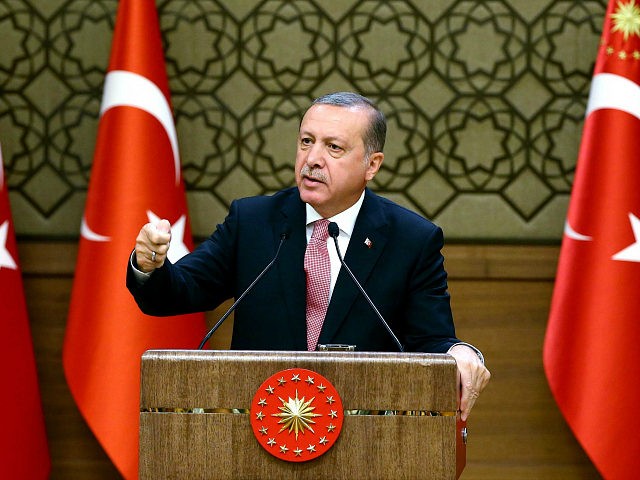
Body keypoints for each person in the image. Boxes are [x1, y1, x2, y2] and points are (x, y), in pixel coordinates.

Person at [126, 92, 490, 420]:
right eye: (306, 141)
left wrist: (461, 353)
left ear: (372, 165)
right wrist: (147, 264)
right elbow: (176, 292)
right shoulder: (252, 222)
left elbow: (432, 342)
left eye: (334, 148)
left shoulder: (412, 240)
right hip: (258, 429)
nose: (312, 159)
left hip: (364, 441)